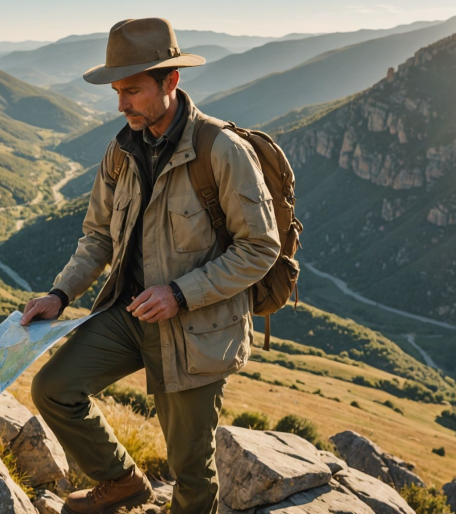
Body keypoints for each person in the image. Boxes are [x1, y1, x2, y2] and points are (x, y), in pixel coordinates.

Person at [21, 17, 281, 514]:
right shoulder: (121, 150)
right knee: (53, 389)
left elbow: (259, 248)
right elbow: (97, 236)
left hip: (197, 328)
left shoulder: (221, 151)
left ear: (171, 81)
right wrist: (60, 295)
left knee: (190, 470)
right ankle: (122, 483)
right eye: (118, 91)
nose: (121, 104)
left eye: (133, 91)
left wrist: (179, 293)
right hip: (130, 313)